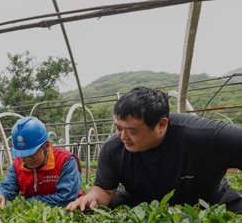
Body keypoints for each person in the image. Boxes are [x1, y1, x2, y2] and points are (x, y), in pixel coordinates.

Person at [66, 86, 242, 213]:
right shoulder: (113, 148)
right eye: (118, 128)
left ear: (162, 125)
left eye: (131, 130)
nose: (122, 136)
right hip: (143, 207)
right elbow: (104, 190)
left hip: (210, 202)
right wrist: (91, 197)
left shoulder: (204, 135)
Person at [0, 117, 82, 209]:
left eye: (32, 153)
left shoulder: (65, 160)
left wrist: (29, 202)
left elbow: (66, 198)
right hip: (32, 213)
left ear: (46, 146)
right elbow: (7, 186)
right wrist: (0, 194)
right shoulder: (17, 163)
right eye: (22, 154)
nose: (27, 159)